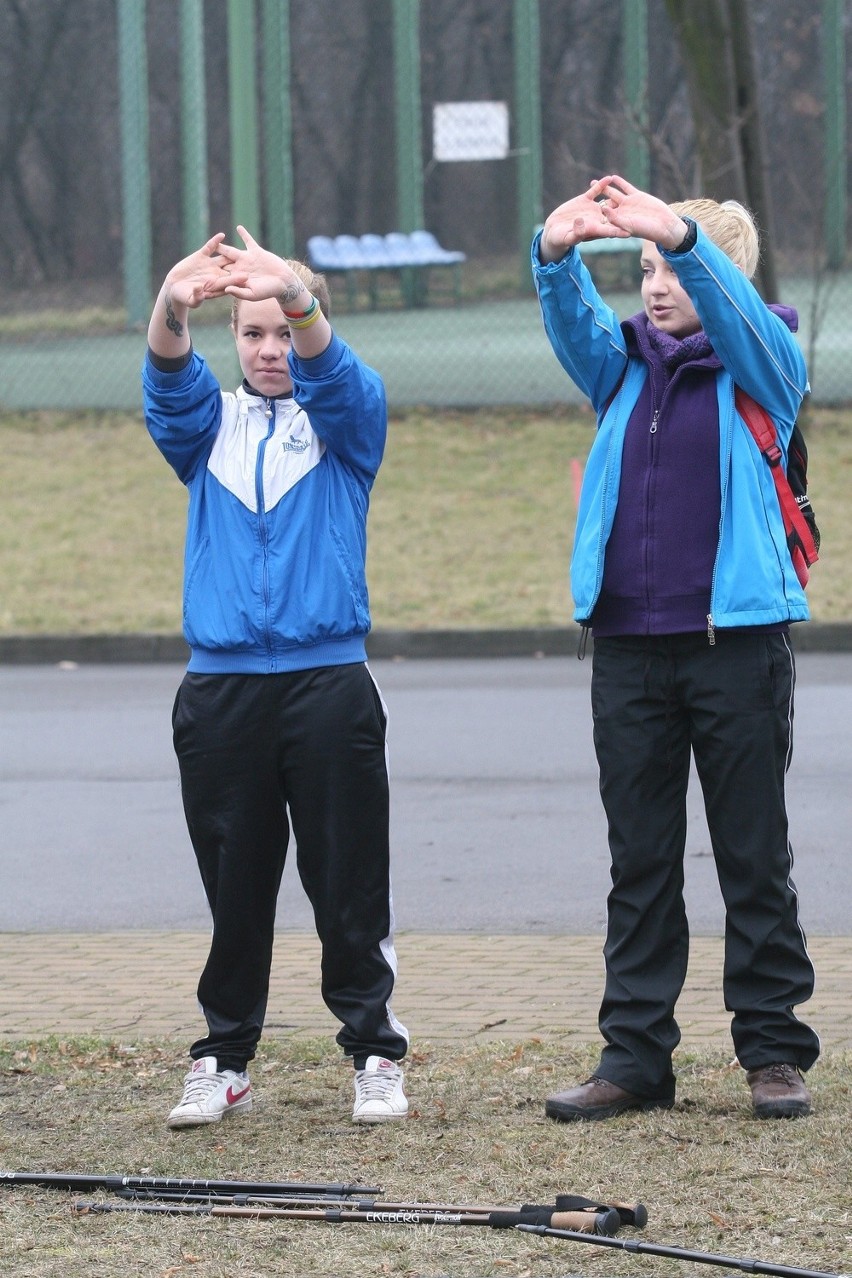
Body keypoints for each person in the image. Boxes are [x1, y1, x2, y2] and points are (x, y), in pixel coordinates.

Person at [531, 175, 819, 1122]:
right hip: (627, 649)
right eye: (646, 267)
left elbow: (757, 339)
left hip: (734, 648)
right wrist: (555, 253)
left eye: (674, 268)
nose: (655, 285)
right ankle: (635, 1058)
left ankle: (773, 1052)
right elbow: (574, 327)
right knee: (640, 860)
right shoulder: (623, 367)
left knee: (752, 853)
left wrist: (684, 232)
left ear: (720, 277)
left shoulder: (763, 368)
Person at [142, 226, 409, 1128]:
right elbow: (166, 386)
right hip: (220, 694)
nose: (268, 351)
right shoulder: (206, 427)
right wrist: (173, 304)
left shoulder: (346, 421)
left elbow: (338, 380)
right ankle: (222, 1056)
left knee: (348, 882)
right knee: (236, 884)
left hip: (328, 685)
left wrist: (298, 297)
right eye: (249, 334)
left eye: (282, 331)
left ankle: (374, 1049)